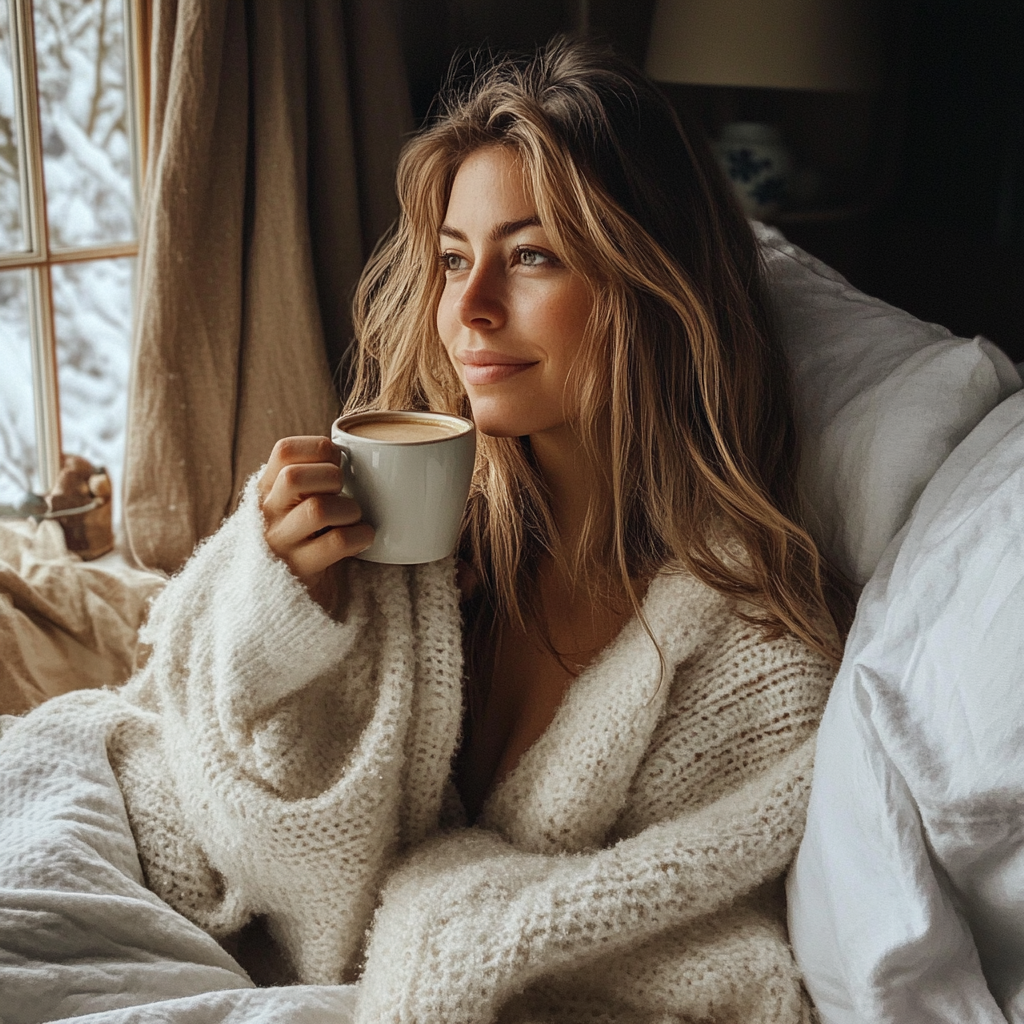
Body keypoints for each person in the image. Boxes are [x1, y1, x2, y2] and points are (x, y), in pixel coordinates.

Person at [2, 38, 842, 1024]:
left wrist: (448, 916)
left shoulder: (756, 660)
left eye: (529, 256)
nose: (470, 308)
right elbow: (188, 719)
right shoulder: (419, 538)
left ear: (652, 284)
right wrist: (274, 603)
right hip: (170, 873)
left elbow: (662, 951)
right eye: (452, 260)